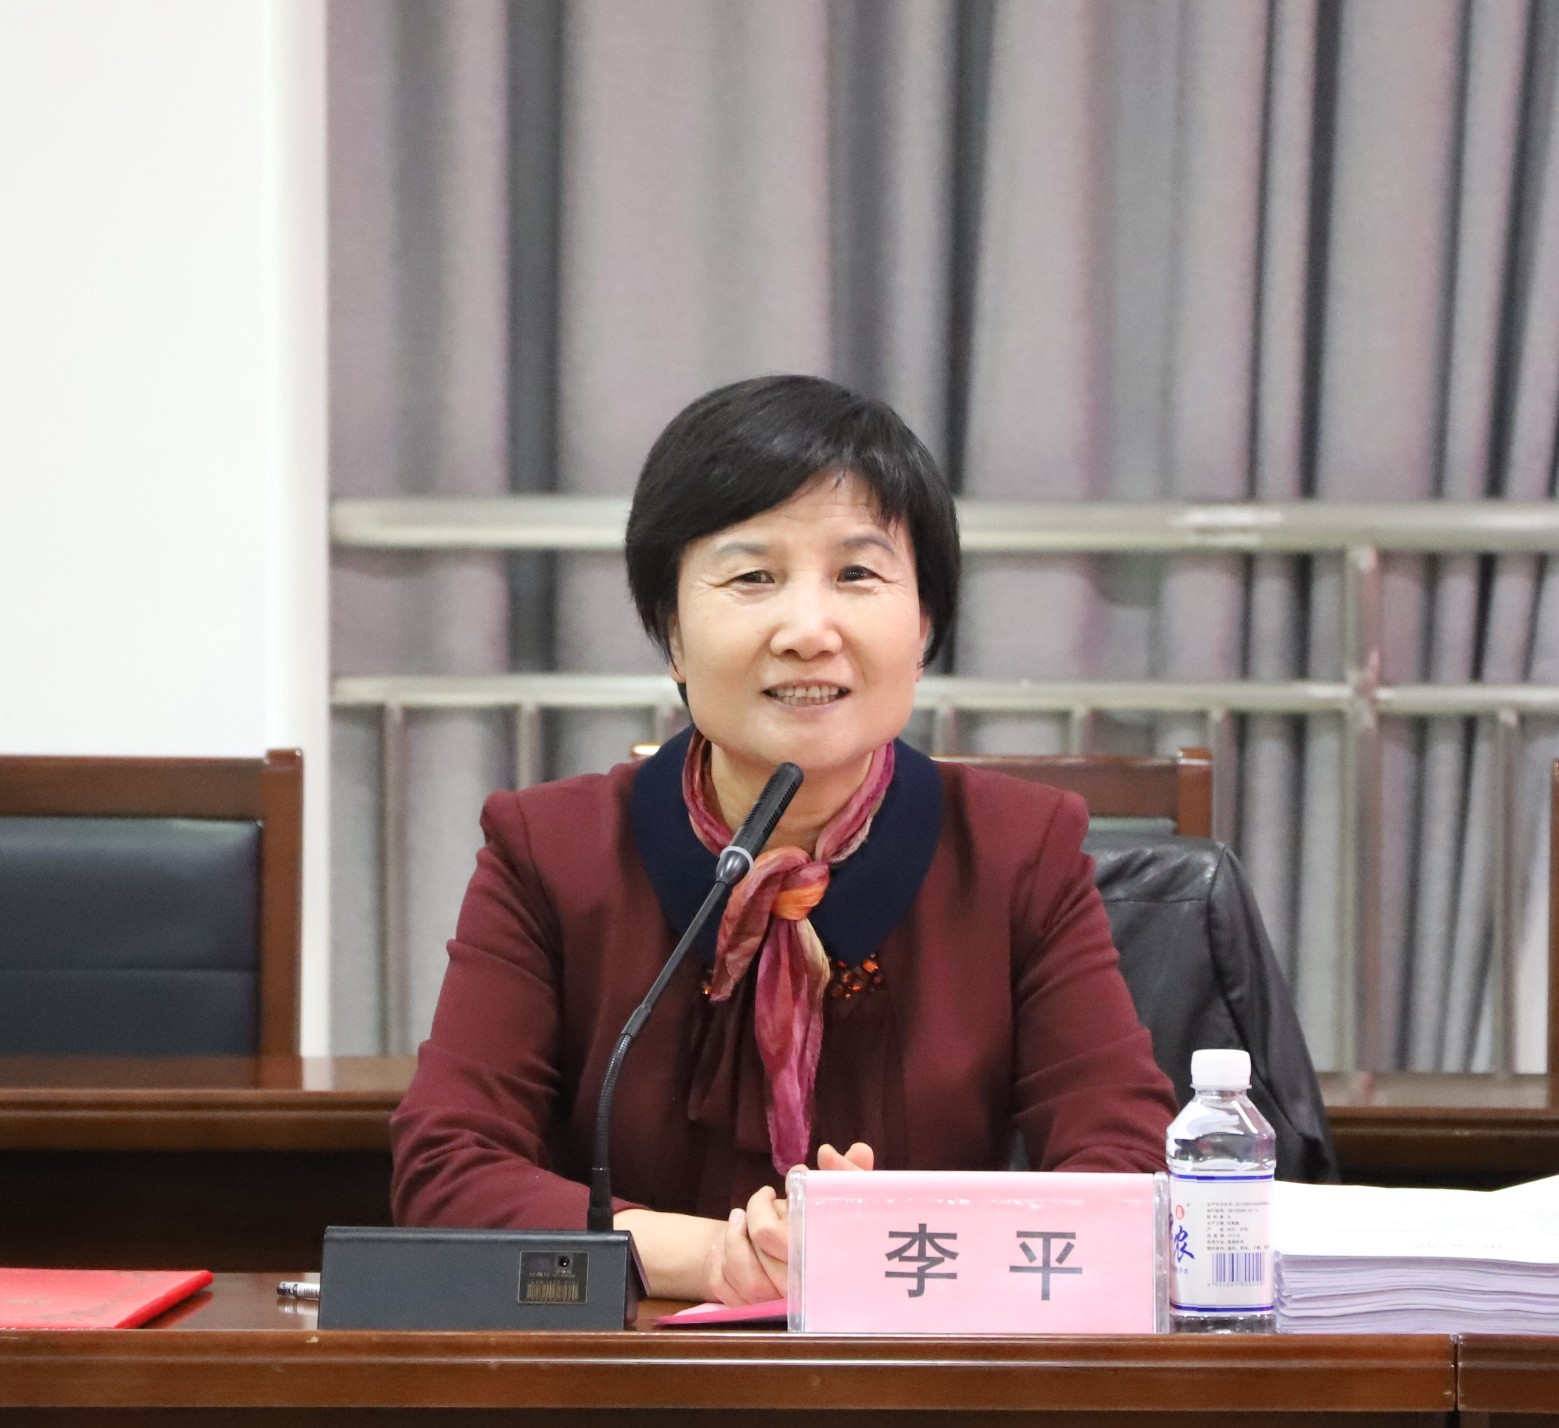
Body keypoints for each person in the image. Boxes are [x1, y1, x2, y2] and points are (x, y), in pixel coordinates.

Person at [390, 374, 1177, 1305]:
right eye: (753, 577)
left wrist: (893, 1242)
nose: (809, 631)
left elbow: (1126, 1168)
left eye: (857, 575)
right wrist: (711, 1259)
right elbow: (447, 1170)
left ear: (924, 625)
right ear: (671, 634)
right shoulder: (549, 853)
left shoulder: (1018, 851)